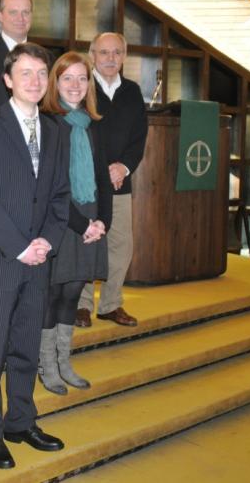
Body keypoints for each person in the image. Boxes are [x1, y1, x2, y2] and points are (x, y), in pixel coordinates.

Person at [0, 43, 70, 469]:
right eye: (25, 73)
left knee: (27, 348)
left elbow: (59, 195)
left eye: (41, 73)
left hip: (39, 260)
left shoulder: (56, 130)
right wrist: (20, 246)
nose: (34, 81)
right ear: (7, 80)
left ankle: (20, 421)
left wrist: (47, 240)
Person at [39, 51, 112, 395]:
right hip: (62, 218)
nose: (75, 85)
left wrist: (103, 221)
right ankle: (46, 364)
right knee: (53, 292)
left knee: (73, 292)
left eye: (82, 78)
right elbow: (49, 187)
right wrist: (82, 224)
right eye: (67, 78)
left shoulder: (92, 124)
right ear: (55, 83)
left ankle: (64, 361)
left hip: (90, 217)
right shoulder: (47, 124)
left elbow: (103, 177)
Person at [75, 33, 148, 328]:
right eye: (104, 52)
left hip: (119, 182)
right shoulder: (81, 86)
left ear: (124, 56)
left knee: (121, 245)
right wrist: (101, 169)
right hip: (86, 182)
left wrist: (124, 167)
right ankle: (81, 305)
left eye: (117, 52)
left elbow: (139, 137)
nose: (110, 58)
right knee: (86, 241)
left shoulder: (132, 91)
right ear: (92, 55)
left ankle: (110, 304)